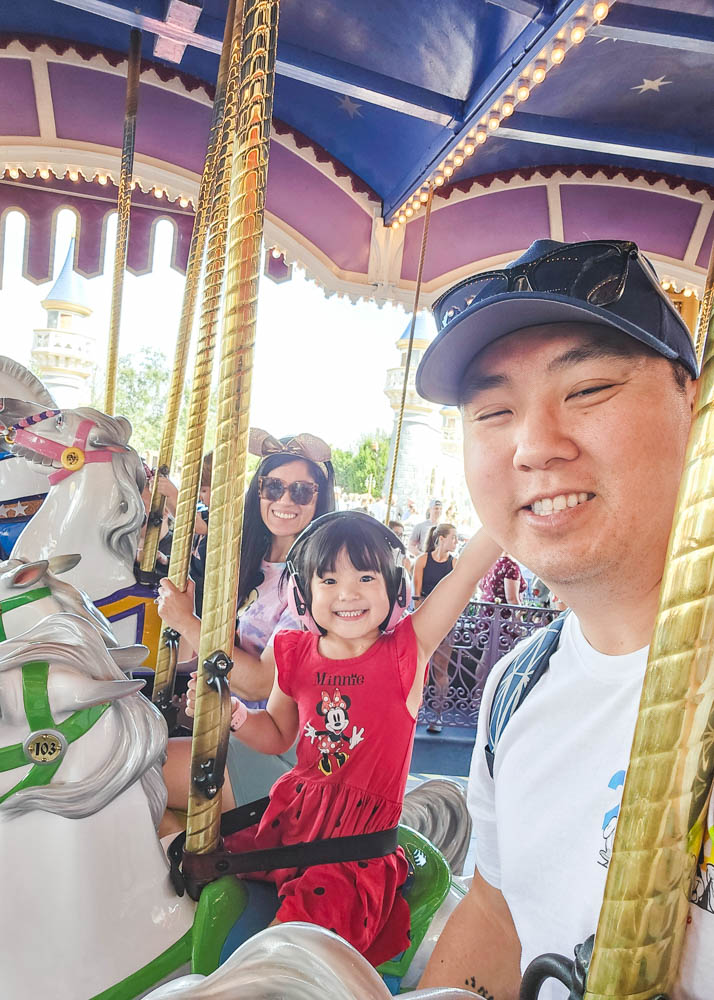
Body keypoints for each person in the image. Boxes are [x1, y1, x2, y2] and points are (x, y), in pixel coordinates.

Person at [414, 238, 712, 998]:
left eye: (589, 390)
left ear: (694, 404)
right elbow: (499, 912)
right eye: (493, 411)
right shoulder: (518, 684)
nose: (535, 446)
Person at [184, 510, 501, 966]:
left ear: (395, 589)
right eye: (328, 580)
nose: (347, 593)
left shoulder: (406, 651)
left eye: (366, 577)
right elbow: (276, 735)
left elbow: (468, 571)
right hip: (291, 820)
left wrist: (505, 512)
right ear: (302, 593)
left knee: (279, 960)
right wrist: (233, 715)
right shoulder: (294, 653)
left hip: (352, 848)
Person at [157, 428, 335, 824]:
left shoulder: (315, 581)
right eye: (274, 487)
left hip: (279, 746)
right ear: (258, 491)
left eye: (302, 491)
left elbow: (258, 682)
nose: (285, 500)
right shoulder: (249, 561)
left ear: (319, 500)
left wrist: (186, 621)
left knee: (140, 774)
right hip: (235, 726)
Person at [413, 522, 459, 734]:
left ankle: (437, 715)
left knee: (441, 669)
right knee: (418, 667)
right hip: (424, 619)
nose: (456, 542)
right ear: (441, 539)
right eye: (453, 538)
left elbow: (457, 593)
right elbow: (417, 596)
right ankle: (414, 711)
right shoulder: (422, 561)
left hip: (445, 621)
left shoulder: (454, 564)